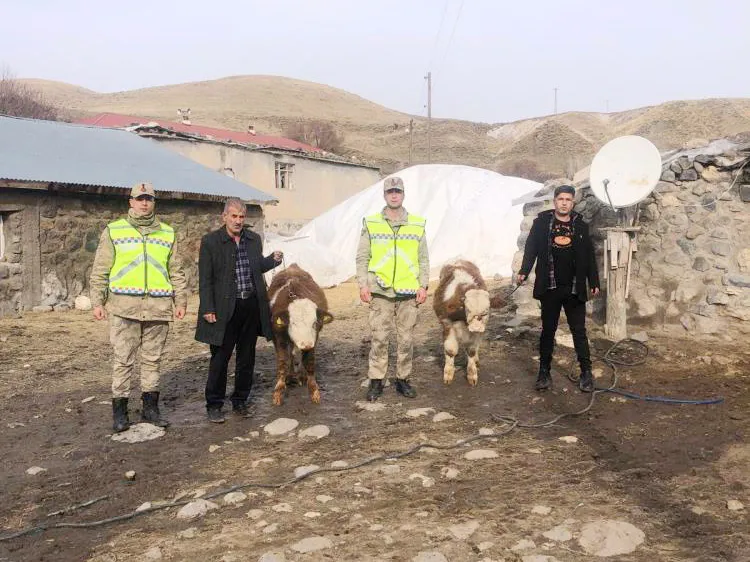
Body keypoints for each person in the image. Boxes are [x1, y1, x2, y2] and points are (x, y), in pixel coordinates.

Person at [90, 182, 187, 432]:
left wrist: (181, 300)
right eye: (140, 199)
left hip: (158, 307)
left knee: (152, 361)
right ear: (131, 202)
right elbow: (100, 270)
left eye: (149, 199)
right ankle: (120, 413)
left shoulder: (167, 233)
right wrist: (97, 301)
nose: (144, 203)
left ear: (154, 202)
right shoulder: (114, 231)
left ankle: (150, 410)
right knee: (123, 360)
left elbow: (176, 271)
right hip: (124, 308)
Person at [195, 198, 283, 423]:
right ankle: (214, 404)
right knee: (220, 358)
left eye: (241, 216)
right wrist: (208, 307)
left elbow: (256, 267)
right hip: (224, 308)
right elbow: (205, 279)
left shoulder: (253, 239)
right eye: (233, 216)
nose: (238, 221)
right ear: (224, 217)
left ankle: (240, 401)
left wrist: (272, 261)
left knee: (247, 357)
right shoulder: (211, 242)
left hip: (250, 306)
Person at [517, 184, 600, 392]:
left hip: (574, 287)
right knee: (548, 330)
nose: (564, 203)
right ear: (555, 201)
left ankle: (586, 373)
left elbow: (589, 255)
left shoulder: (580, 225)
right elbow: (531, 248)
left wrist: (594, 281)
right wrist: (524, 271)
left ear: (573, 203)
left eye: (568, 200)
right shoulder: (542, 223)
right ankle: (544, 372)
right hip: (550, 286)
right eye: (561, 199)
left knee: (579, 331)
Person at [356, 176, 429, 402]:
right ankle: (376, 380)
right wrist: (363, 284)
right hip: (380, 290)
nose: (394, 195)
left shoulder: (417, 224)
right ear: (384, 195)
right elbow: (362, 257)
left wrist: (423, 285)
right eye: (390, 192)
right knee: (379, 337)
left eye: (398, 191)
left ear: (403, 194)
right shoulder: (371, 223)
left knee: (406, 339)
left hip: (408, 292)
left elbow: (423, 259)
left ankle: (403, 379)